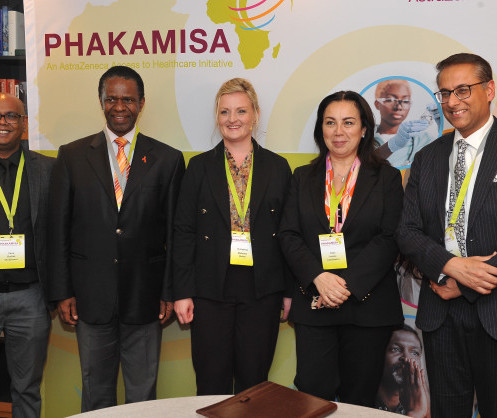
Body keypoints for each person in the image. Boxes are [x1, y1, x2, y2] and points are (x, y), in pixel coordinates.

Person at [47, 66, 185, 412]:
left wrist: (169, 291)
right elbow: (58, 229)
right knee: (96, 393)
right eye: (111, 99)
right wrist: (63, 292)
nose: (119, 107)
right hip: (90, 297)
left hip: (146, 296)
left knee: (142, 395)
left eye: (128, 100)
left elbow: (176, 234)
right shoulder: (72, 156)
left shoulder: (168, 160)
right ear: (101, 102)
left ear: (141, 103)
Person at [278, 91, 404, 406]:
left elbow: (389, 237)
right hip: (315, 302)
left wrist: (345, 285)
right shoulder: (302, 177)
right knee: (311, 395)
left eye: (348, 122)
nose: (338, 131)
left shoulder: (387, 177)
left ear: (364, 129)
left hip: (367, 306)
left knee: (358, 400)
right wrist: (318, 277)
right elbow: (289, 234)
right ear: (320, 128)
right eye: (330, 122)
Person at [173, 78, 292, 395]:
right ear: (217, 116)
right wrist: (182, 292)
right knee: (211, 382)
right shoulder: (198, 167)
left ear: (255, 114)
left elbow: (289, 235)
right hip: (210, 290)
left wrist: (289, 291)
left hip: (262, 291)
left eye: (241, 111)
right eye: (224, 112)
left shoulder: (278, 168)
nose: (232, 119)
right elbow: (183, 232)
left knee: (254, 383)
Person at [396, 53, 497, 418]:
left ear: (489, 90)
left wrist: (467, 283)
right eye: (445, 93)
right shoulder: (427, 157)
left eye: (463, 90)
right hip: (441, 314)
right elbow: (407, 231)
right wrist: (449, 269)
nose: (453, 101)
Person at [0, 93, 54, 417]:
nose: (4, 122)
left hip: (30, 297)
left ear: (24, 124)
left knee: (27, 388)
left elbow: (62, 232)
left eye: (11, 115)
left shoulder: (47, 169)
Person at [374, 79, 435, 168]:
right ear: (377, 104)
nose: (399, 107)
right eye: (390, 100)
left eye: (405, 101)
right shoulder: (363, 136)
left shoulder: (424, 140)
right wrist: (393, 144)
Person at [376, 325, 430, 417]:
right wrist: (416, 413)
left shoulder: (426, 405)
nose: (406, 358)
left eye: (414, 353)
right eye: (396, 349)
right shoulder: (361, 400)